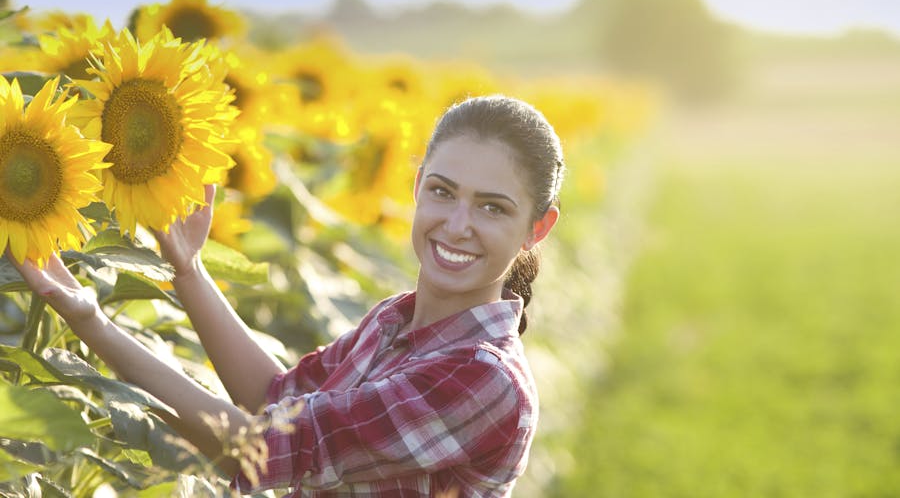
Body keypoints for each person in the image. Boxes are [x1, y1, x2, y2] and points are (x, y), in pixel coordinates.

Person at [11, 94, 564, 497]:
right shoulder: (394, 323)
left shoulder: (484, 379)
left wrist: (93, 324)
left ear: (537, 229)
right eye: (443, 192)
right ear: (418, 187)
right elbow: (273, 399)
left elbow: (260, 449)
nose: (458, 224)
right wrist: (189, 272)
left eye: (493, 207)